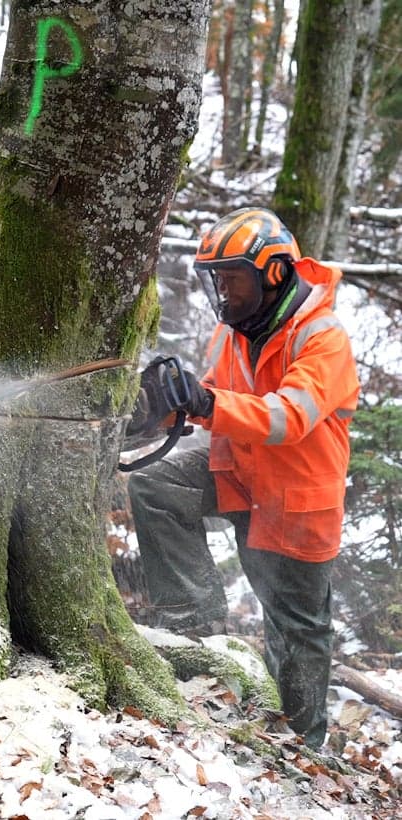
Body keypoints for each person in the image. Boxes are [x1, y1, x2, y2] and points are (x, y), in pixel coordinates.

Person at [128, 207, 360, 749]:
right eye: (216, 277)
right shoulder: (235, 331)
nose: (222, 290)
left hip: (297, 508)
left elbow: (286, 417)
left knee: (297, 632)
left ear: (272, 273)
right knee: (156, 484)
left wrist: (206, 401)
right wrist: (154, 409)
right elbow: (206, 402)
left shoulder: (322, 337)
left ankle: (304, 743)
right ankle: (193, 619)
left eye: (231, 277)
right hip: (240, 477)